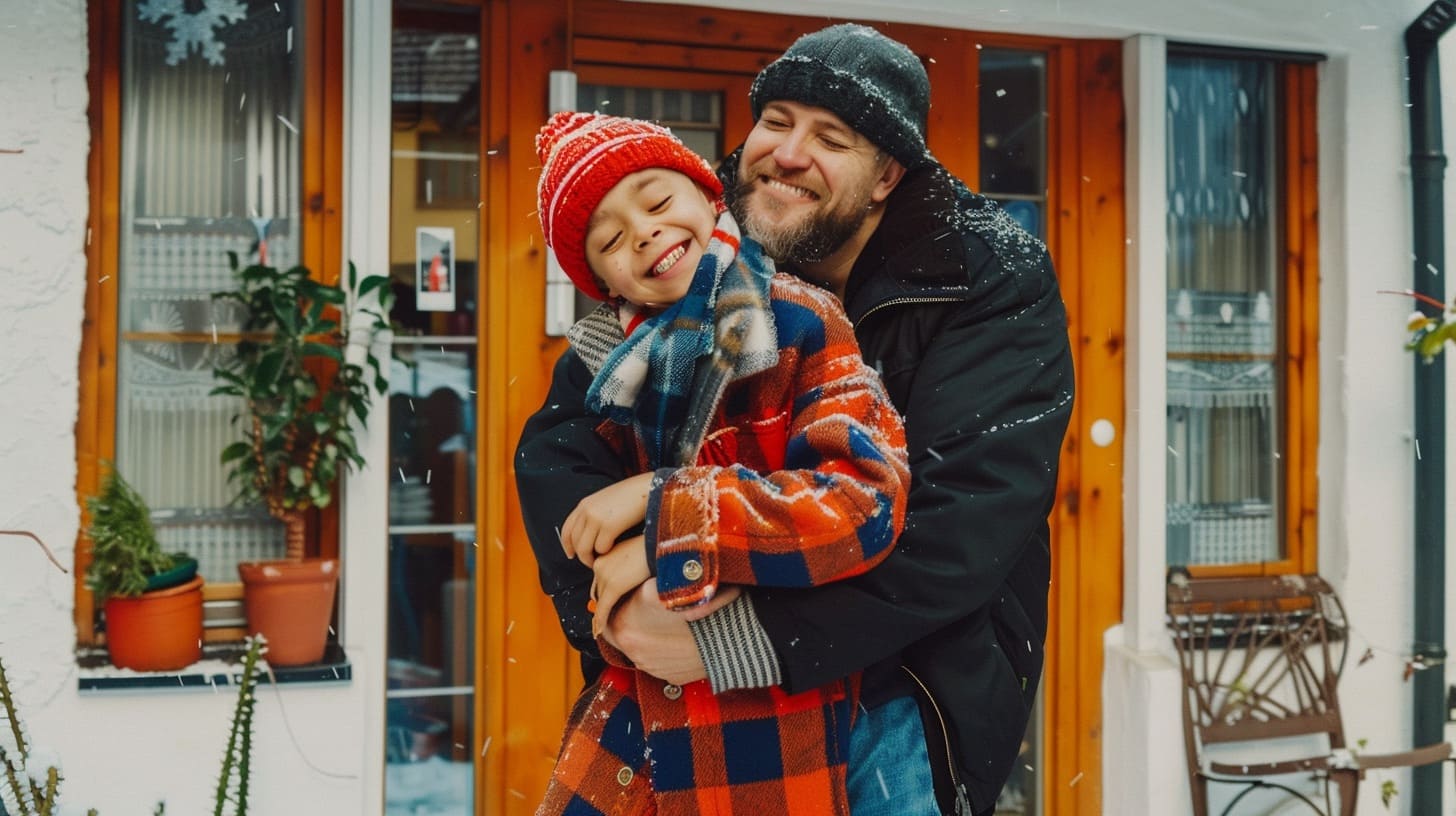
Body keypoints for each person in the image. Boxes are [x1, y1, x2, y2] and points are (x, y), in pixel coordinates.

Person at [517, 24, 1075, 816]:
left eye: (830, 138)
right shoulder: (689, 233)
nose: (787, 152)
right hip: (687, 711)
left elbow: (960, 528)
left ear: (885, 177)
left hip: (895, 701)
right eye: (775, 121)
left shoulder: (985, 278)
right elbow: (562, 448)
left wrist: (744, 641)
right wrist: (610, 615)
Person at [522, 110, 910, 816]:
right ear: (603, 280)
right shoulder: (601, 365)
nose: (642, 231)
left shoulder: (801, 321)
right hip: (629, 730)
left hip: (763, 735)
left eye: (659, 200)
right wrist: (627, 573)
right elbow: (562, 505)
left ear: (709, 197)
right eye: (609, 239)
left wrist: (666, 506)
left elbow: (861, 505)